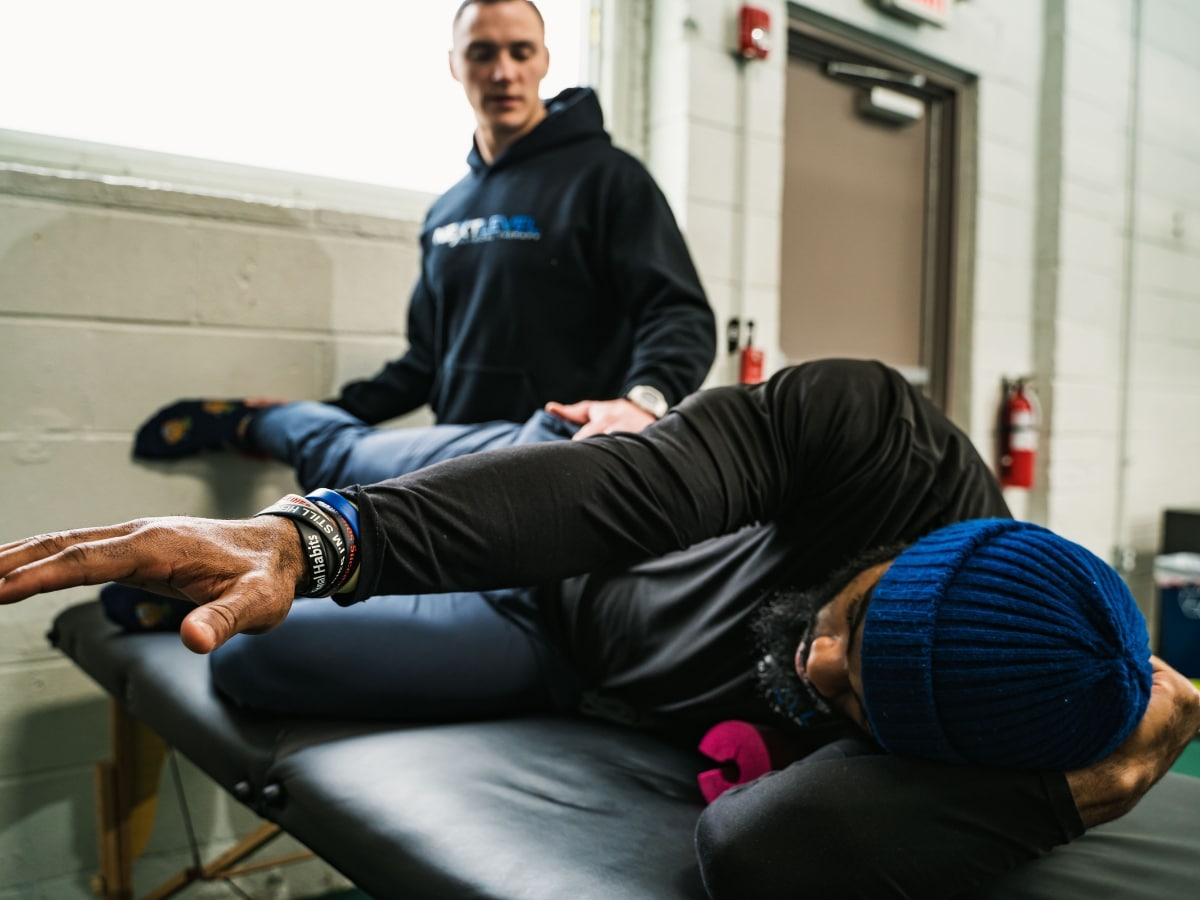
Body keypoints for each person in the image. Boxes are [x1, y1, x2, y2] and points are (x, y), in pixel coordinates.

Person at [2, 359, 1198, 899]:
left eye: (855, 699)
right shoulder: (878, 433)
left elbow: (755, 853)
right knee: (356, 463)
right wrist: (306, 542)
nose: (819, 661)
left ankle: (220, 564)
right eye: (859, 618)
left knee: (272, 661)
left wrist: (1071, 792)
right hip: (554, 525)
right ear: (920, 551)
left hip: (551, 659)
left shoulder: (992, 739)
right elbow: (629, 494)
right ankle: (291, 421)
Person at [131, 0, 716, 480]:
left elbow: (679, 312)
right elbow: (424, 363)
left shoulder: (608, 178)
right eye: (482, 54)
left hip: (564, 465)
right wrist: (324, 414)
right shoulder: (448, 210)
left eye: (520, 52)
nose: (503, 71)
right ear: (455, 64)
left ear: (544, 61)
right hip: (459, 466)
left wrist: (643, 402)